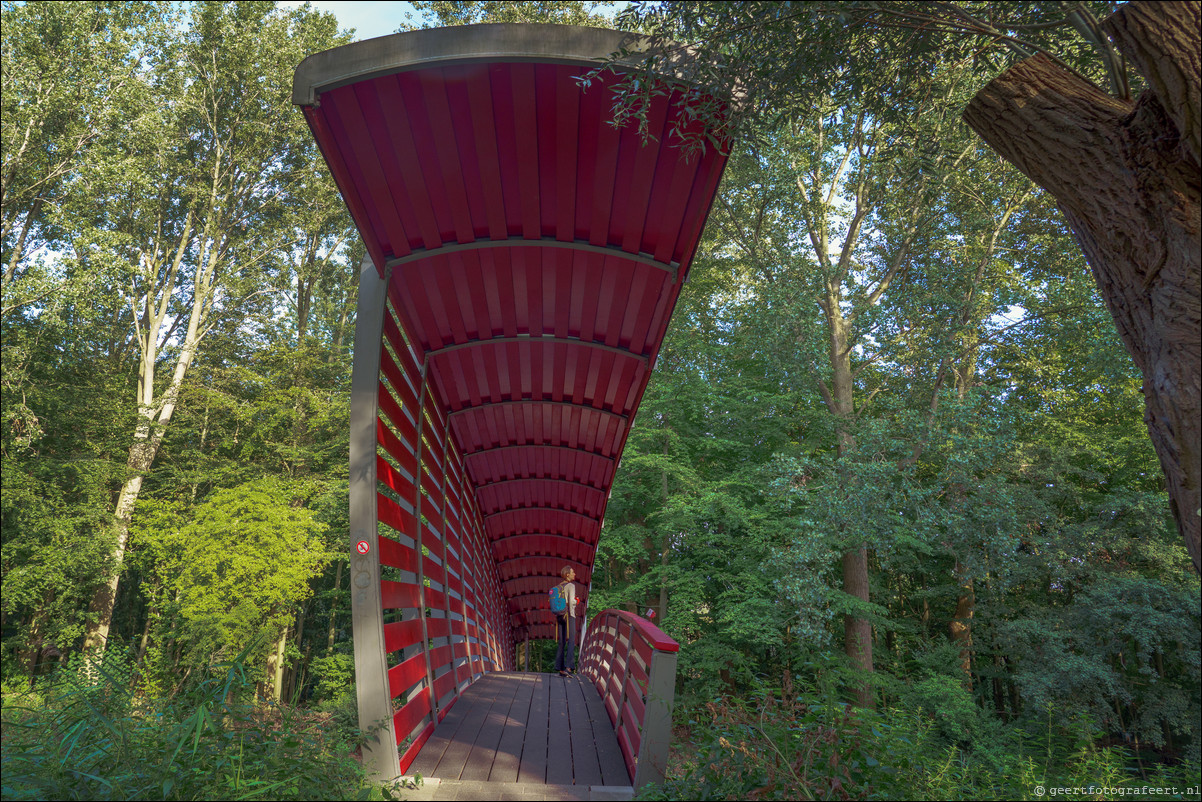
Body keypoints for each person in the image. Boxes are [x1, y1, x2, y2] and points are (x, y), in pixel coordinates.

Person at [553, 565, 578, 677]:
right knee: (571, 640)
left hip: (559, 615)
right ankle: (568, 668)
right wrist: (576, 601)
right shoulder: (570, 586)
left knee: (562, 641)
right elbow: (571, 602)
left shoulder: (559, 586)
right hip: (569, 615)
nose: (574, 574)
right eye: (572, 572)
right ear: (567, 574)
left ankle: (560, 668)